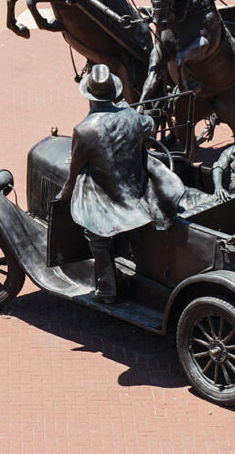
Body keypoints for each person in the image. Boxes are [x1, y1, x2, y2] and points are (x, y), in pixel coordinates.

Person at [57, 64, 186, 304]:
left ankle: (106, 288)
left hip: (108, 194)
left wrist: (65, 194)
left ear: (89, 95)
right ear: (114, 93)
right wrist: (127, 111)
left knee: (94, 234)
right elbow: (150, 125)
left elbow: (75, 169)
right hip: (136, 188)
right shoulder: (132, 117)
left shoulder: (84, 129)